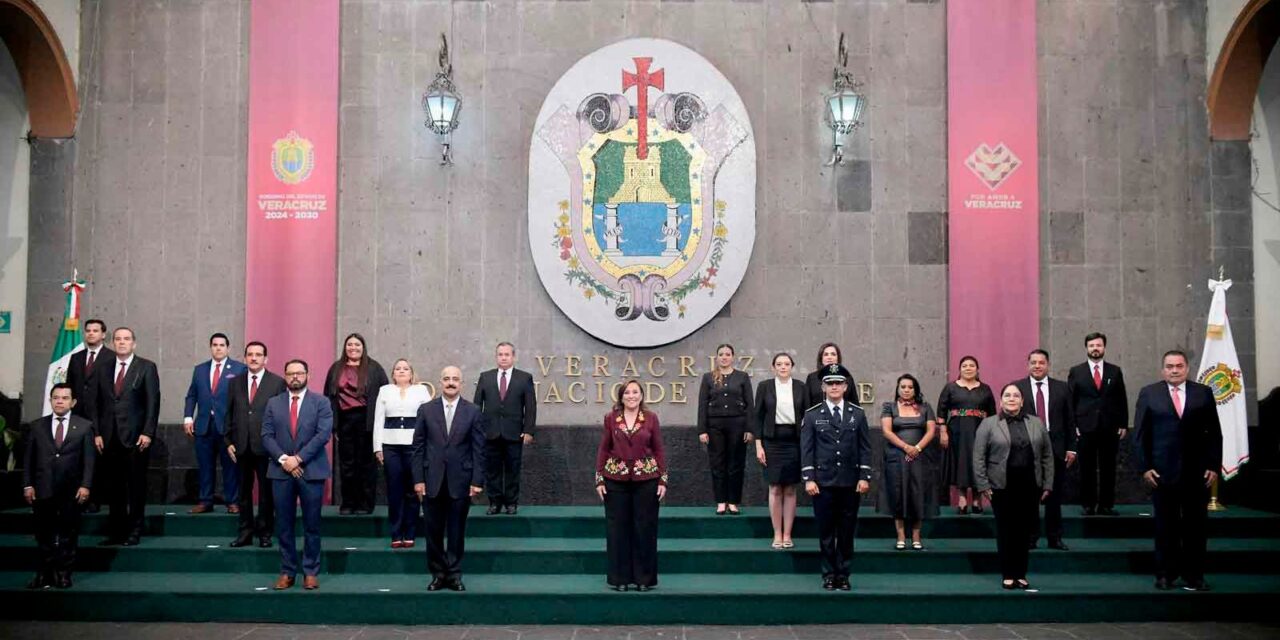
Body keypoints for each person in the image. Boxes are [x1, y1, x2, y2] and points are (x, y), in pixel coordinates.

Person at [1133, 350, 1222, 592]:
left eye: (1179, 366)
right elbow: (1140, 435)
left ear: (1187, 369)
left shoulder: (1202, 393)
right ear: (1163, 370)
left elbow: (1214, 432)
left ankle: (1195, 576)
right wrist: (1145, 467)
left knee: (1196, 527)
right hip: (1162, 474)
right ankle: (1165, 575)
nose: (1174, 370)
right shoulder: (1149, 393)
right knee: (1166, 528)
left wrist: (1214, 465)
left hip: (1197, 474)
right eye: (1170, 366)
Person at [974, 384, 1055, 590]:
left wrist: (1047, 483)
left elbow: (1047, 456)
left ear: (1022, 401)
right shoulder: (989, 423)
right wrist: (983, 484)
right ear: (1001, 401)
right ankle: (1008, 573)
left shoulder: (1036, 423)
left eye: (1016, 395)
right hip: (1001, 486)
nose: (1011, 398)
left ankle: (1021, 574)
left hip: (1030, 485)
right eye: (1007, 395)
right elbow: (978, 457)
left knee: (1024, 532)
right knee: (1006, 531)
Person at [414, 366, 487, 592]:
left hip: (461, 482)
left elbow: (479, 450)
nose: (451, 382)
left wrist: (477, 481)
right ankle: (437, 574)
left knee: (456, 532)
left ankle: (454, 574)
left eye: (455, 379)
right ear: (440, 382)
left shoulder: (473, 411)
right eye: (446, 379)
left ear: (462, 383)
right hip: (431, 480)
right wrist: (418, 479)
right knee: (433, 532)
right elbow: (417, 447)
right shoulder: (426, 410)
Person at [263, 359, 333, 591]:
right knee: (284, 525)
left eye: (299, 373)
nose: (295, 377)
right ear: (285, 376)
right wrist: (285, 460)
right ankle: (287, 571)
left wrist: (298, 459)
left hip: (311, 471)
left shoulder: (321, 402)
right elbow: (266, 436)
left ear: (308, 375)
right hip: (281, 472)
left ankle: (310, 571)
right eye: (291, 373)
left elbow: (323, 435)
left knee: (312, 525)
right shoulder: (273, 403)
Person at [801, 363, 872, 591]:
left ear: (845, 386)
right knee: (825, 532)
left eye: (838, 383)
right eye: (830, 383)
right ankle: (829, 574)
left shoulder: (857, 414)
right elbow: (807, 449)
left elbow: (865, 447)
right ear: (823, 387)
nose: (834, 387)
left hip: (850, 482)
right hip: (822, 483)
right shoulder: (812, 415)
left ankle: (843, 574)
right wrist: (809, 478)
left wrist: (864, 476)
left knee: (846, 531)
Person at [596, 379, 668, 591]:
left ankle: (643, 579)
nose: (631, 396)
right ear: (621, 396)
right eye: (627, 392)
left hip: (646, 480)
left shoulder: (651, 418)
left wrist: (663, 479)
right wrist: (599, 478)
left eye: (635, 392)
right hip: (615, 480)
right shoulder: (611, 418)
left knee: (644, 529)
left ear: (642, 395)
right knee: (617, 530)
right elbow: (603, 448)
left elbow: (659, 450)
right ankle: (620, 579)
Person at [23, 383, 95, 589]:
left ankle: (63, 574)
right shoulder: (37, 426)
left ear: (73, 402)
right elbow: (29, 459)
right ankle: (44, 573)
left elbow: (89, 461)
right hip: (42, 489)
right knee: (43, 533)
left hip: (71, 491)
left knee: (68, 534)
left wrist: (86, 485)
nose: (60, 401)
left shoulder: (84, 426)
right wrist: (27, 485)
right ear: (50, 400)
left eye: (64, 398)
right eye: (56, 397)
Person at [93, 327, 160, 547]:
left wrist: (148, 432)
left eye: (127, 339)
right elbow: (96, 403)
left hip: (135, 437)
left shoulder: (146, 367)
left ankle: (135, 530)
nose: (122, 343)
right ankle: (116, 531)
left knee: (136, 487)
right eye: (118, 339)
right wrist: (97, 432)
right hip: (109, 436)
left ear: (134, 343)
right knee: (114, 488)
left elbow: (152, 403)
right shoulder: (103, 368)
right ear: (112, 343)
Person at [224, 341, 286, 548]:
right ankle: (245, 532)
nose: (254, 358)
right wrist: (228, 441)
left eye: (258, 354)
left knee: (266, 494)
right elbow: (228, 413)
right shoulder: (235, 382)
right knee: (243, 493)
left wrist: (277, 447)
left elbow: (282, 418)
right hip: (240, 446)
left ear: (265, 359)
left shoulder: (277, 383)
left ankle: (265, 533)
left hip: (266, 448)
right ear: (244, 358)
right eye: (250, 354)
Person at [1013, 349, 1077, 550]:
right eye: (1033, 362)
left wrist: (1072, 448)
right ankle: (1031, 537)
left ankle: (1054, 537)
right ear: (1028, 365)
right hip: (1027, 449)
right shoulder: (1018, 388)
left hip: (1056, 449)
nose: (1037, 366)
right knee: (1029, 496)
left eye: (1041, 362)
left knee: (1054, 496)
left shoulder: (1062, 388)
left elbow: (1070, 419)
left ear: (1048, 365)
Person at [323, 333, 388, 515]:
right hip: (344, 421)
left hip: (367, 421)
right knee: (347, 465)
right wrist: (333, 424)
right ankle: (348, 503)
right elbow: (328, 397)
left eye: (357, 345)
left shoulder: (374, 368)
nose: (353, 348)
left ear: (363, 347)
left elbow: (384, 395)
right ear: (345, 347)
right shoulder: (336, 368)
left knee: (366, 464)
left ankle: (365, 504)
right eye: (350, 344)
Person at [184, 333, 247, 514]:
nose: (218, 348)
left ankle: (232, 501)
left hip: (228, 427)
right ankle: (205, 501)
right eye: (214, 345)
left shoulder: (239, 369)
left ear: (228, 348)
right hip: (204, 425)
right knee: (205, 465)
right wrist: (188, 417)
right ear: (210, 347)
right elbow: (192, 395)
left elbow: (242, 399)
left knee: (230, 466)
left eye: (221, 345)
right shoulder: (200, 369)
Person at [1067, 332, 1129, 516]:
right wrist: (1073, 425)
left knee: (1108, 467)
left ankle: (1106, 505)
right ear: (1086, 348)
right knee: (1086, 467)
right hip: (1084, 427)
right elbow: (1071, 400)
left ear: (1104, 348)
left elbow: (1121, 398)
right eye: (1092, 345)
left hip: (1109, 427)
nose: (1095, 348)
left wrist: (1123, 423)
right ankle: (1088, 504)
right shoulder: (1076, 371)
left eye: (1099, 345)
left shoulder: (1114, 371)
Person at [473, 342, 537, 515]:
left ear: (513, 357)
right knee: (492, 470)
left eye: (507, 354)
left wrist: (529, 430)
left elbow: (530, 407)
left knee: (512, 469)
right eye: (500, 354)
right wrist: (478, 430)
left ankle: (511, 503)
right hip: (490, 433)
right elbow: (477, 406)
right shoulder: (485, 377)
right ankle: (494, 503)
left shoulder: (524, 378)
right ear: (496, 357)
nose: (503, 357)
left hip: (514, 433)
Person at [374, 358, 432, 548]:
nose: (401, 371)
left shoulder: (421, 391)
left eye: (405, 368)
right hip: (390, 446)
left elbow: (428, 419)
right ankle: (396, 533)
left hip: (414, 446)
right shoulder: (385, 391)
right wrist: (378, 447)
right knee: (395, 490)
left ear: (411, 373)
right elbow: (378, 420)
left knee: (412, 490)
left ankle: (410, 532)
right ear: (393, 374)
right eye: (397, 368)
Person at [751, 353, 807, 549]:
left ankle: (787, 534)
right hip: (771, 442)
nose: (783, 367)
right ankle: (776, 533)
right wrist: (759, 445)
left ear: (792, 366)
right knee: (775, 488)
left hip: (794, 441)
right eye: (779, 364)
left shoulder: (801, 387)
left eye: (787, 364)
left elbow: (807, 416)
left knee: (791, 488)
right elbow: (757, 417)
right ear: (773, 367)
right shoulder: (764, 386)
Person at [877, 374, 938, 550]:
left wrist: (917, 449)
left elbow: (931, 431)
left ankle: (916, 536)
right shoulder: (889, 407)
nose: (906, 390)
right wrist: (906, 447)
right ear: (898, 388)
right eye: (903, 387)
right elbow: (887, 431)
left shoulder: (925, 407)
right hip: (897, 457)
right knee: (898, 495)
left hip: (920, 458)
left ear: (915, 389)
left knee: (918, 495)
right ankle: (901, 535)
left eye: (910, 387)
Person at [697, 344, 754, 516]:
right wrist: (702, 430)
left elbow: (750, 405)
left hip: (738, 424)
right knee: (718, 464)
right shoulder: (708, 378)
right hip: (715, 426)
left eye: (727, 354)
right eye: (721, 354)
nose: (724, 357)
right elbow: (702, 405)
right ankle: (721, 501)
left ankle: (734, 501)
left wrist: (750, 428)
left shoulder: (742, 377)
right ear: (716, 357)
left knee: (736, 464)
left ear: (733, 357)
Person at [936, 355, 996, 515]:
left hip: (980, 430)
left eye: (972, 365)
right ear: (960, 369)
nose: (968, 368)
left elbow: (993, 414)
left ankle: (977, 500)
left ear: (977, 370)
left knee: (978, 462)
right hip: (957, 431)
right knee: (960, 463)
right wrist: (943, 431)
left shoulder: (986, 389)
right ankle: (962, 500)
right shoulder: (951, 388)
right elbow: (941, 411)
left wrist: (992, 435)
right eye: (964, 365)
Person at [66, 318, 112, 513]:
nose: (91, 333)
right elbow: (70, 386)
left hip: (102, 416)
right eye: (88, 330)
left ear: (103, 335)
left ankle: (95, 499)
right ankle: (78, 498)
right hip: (78, 415)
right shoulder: (76, 358)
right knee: (78, 457)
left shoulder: (111, 357)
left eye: (95, 331)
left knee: (98, 458)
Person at [805, 342, 858, 407]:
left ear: (838, 358)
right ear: (821, 358)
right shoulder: (812, 378)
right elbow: (807, 405)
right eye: (826, 354)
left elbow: (855, 404)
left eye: (833, 354)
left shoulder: (847, 377)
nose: (829, 357)